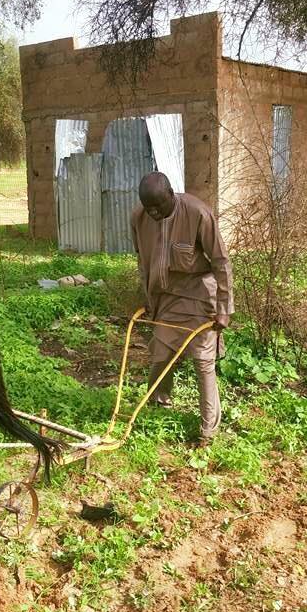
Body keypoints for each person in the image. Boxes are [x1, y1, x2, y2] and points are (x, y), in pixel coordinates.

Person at [131, 172, 233, 445]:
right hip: (167, 299)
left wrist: (224, 308)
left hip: (200, 297)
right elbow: (143, 263)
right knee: (160, 355)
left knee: (202, 361)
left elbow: (221, 262)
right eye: (148, 207)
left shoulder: (198, 213)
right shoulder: (139, 218)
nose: (153, 213)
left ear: (171, 194)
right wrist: (150, 301)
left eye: (158, 207)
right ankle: (158, 404)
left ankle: (207, 431)